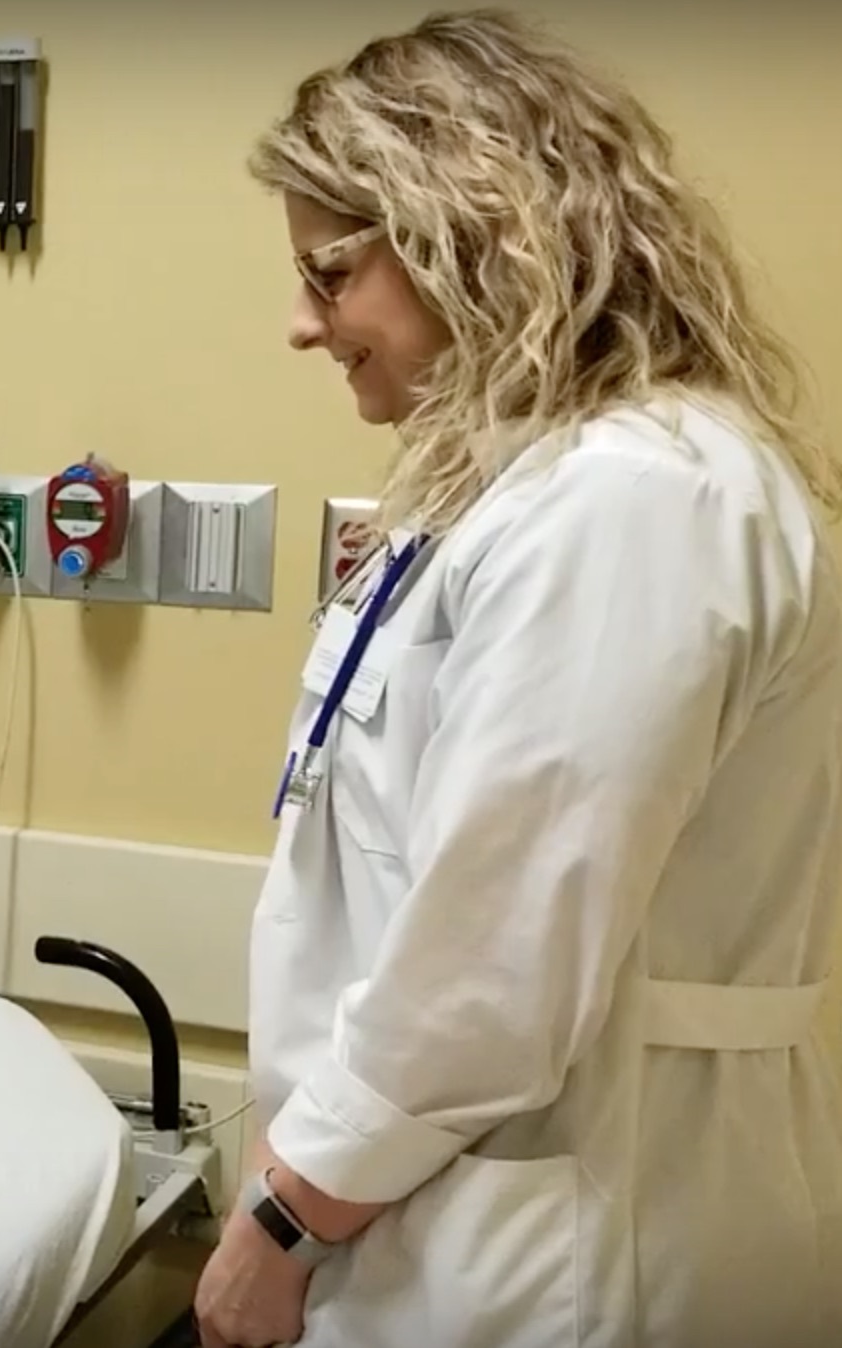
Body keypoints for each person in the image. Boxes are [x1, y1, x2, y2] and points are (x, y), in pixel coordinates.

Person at [197, 10, 842, 1348]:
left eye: (330, 273)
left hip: (581, 1239)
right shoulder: (519, 492)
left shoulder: (631, 503)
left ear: (471, 234)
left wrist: (286, 1219)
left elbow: (491, 957)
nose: (300, 326)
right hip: (450, 1204)